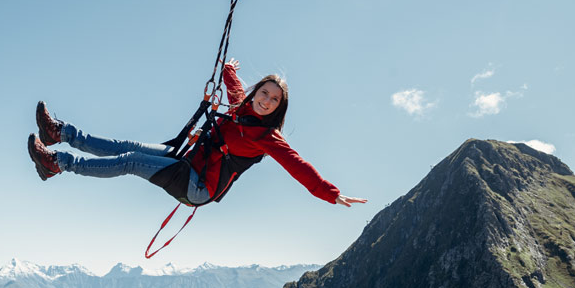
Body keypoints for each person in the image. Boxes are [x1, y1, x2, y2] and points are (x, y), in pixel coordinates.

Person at [27, 59, 366, 208]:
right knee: (128, 145)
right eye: (264, 93)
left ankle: (58, 163)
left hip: (198, 184)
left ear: (279, 109)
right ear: (256, 92)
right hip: (188, 158)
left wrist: (330, 193)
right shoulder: (240, 107)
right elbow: (234, 86)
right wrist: (229, 69)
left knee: (131, 160)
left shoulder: (268, 138)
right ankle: (60, 132)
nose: (266, 101)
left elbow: (298, 166)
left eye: (274, 100)